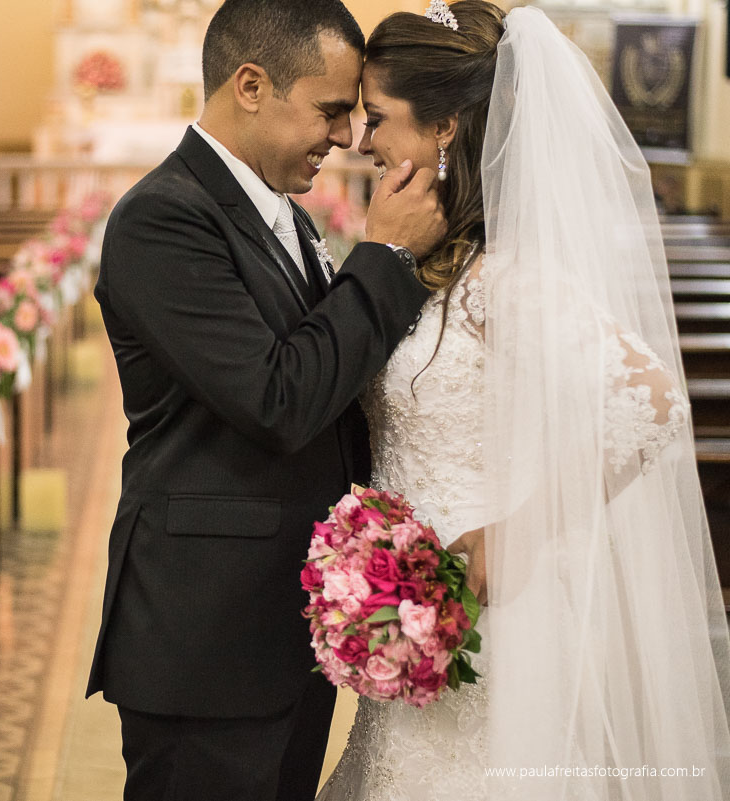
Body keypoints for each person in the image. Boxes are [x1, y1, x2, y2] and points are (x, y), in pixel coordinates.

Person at [317, 3, 730, 799]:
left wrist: (517, 532)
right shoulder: (433, 269)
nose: (364, 142)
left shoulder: (494, 279)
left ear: (443, 127)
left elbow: (651, 400)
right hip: (415, 627)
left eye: (379, 119)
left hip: (488, 623)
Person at [85, 1, 447, 799]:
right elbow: (279, 398)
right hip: (204, 644)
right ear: (251, 85)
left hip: (284, 629)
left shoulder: (278, 208)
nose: (347, 136)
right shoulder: (163, 218)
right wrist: (383, 255)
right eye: (330, 110)